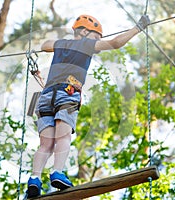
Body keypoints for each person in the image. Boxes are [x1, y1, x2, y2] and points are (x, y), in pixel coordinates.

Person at [26, 14, 150, 198]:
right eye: (96, 37)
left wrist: (61, 43)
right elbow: (116, 43)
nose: (97, 42)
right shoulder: (86, 44)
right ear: (84, 32)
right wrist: (138, 27)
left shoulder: (61, 44)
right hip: (67, 93)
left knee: (45, 144)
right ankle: (57, 172)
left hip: (46, 96)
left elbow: (45, 45)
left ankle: (34, 179)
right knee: (63, 136)